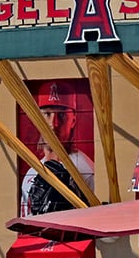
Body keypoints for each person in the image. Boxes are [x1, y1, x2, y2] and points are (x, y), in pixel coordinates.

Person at [20, 82, 96, 217]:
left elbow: (103, 231)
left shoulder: (86, 170)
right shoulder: (31, 173)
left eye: (61, 116)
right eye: (47, 114)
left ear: (73, 120)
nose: (54, 124)